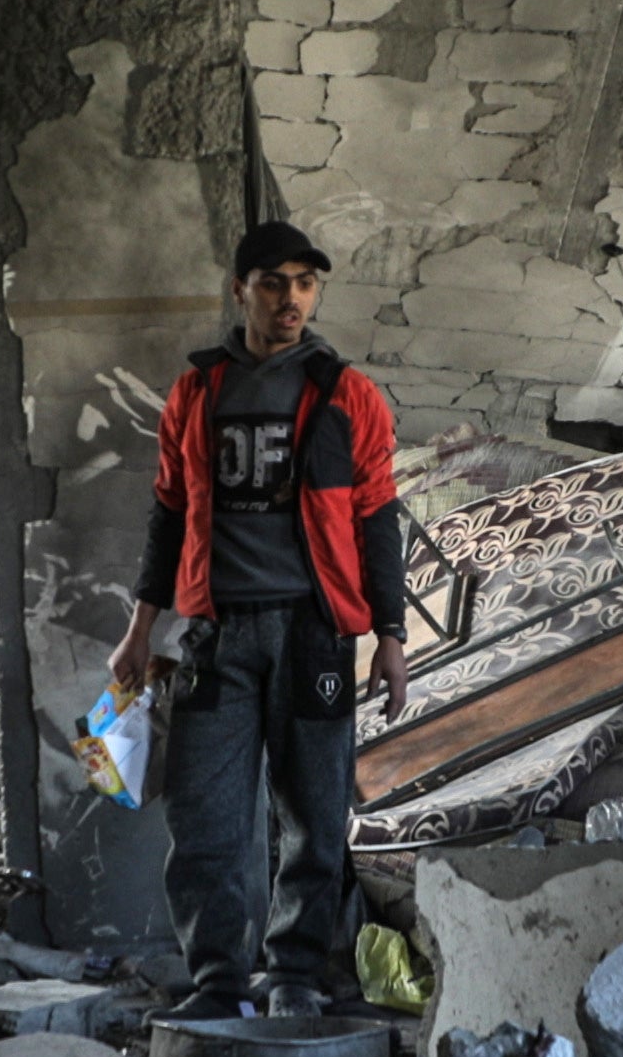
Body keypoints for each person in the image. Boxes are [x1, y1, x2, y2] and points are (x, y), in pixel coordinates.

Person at [106, 224, 415, 1011]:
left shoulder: (347, 394)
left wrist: (391, 634)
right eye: (275, 283)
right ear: (241, 289)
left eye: (307, 284)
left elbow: (378, 517)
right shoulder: (198, 392)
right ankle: (215, 981)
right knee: (206, 818)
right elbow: (169, 513)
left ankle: (295, 978)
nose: (292, 299)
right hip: (217, 636)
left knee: (312, 818)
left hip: (314, 630)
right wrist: (140, 628)